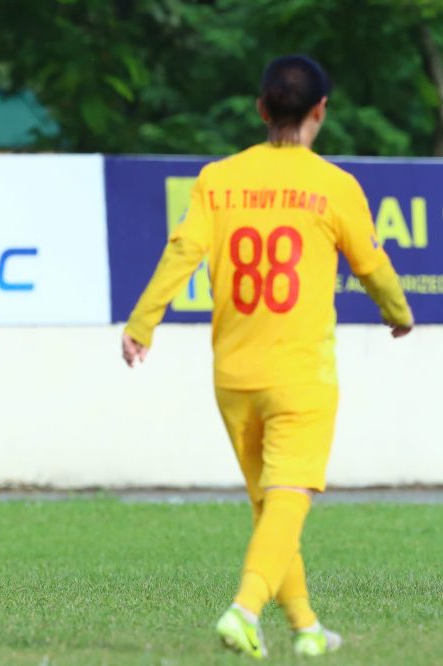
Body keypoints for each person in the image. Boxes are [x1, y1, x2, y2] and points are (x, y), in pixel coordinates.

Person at [122, 55, 413, 658]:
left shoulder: (216, 178)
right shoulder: (334, 185)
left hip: (233, 375)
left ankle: (307, 629)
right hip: (300, 374)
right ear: (320, 112)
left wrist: (142, 323)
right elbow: (373, 265)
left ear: (260, 109)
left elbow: (181, 252)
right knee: (288, 498)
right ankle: (243, 611)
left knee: (270, 505)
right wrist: (398, 312)